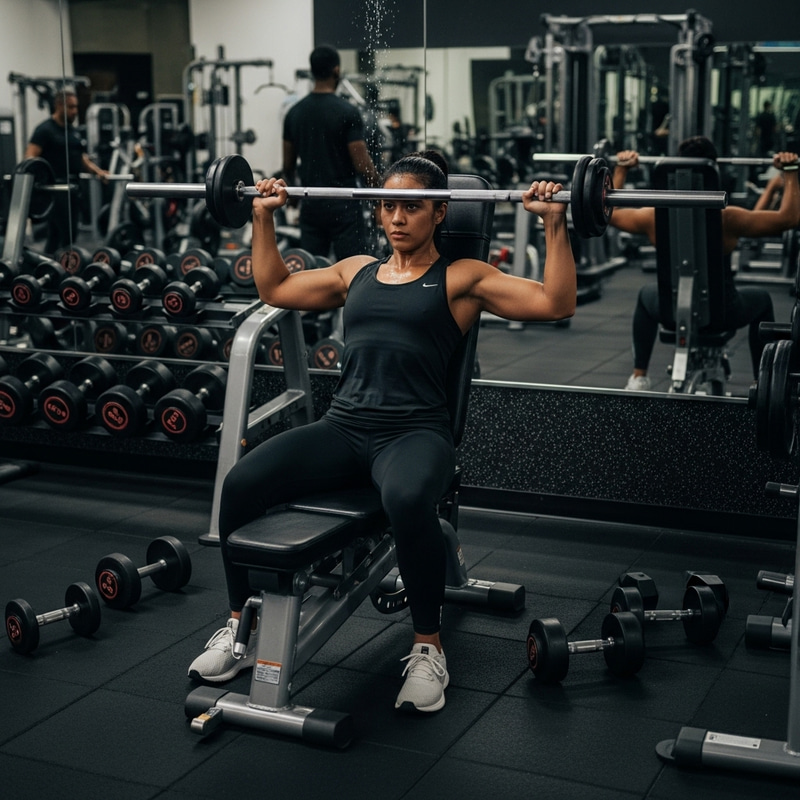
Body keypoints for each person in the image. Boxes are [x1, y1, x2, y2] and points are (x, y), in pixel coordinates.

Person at [187, 150, 576, 713]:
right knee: (242, 482)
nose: (396, 217)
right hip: (345, 427)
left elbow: (555, 301)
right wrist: (263, 215)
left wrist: (555, 222)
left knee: (408, 498)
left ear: (439, 213)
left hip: (415, 434)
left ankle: (427, 647)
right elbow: (274, 288)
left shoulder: (463, 278)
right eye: (388, 205)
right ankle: (237, 628)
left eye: (411, 207)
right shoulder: (356, 271)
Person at [609, 136, 799, 391]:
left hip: (671, 312)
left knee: (646, 295)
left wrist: (621, 169)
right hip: (723, 313)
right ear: (713, 172)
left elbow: (610, 212)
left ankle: (638, 377)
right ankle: (761, 383)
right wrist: (790, 172)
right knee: (762, 300)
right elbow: (789, 218)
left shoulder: (654, 217)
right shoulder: (729, 218)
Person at [282, 45, 382, 259]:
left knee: (311, 270)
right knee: (352, 271)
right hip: (343, 203)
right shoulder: (347, 111)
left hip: (311, 203)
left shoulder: (294, 113)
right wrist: (380, 197)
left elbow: (287, 166)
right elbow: (362, 164)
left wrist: (294, 200)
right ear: (336, 70)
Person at [24, 89, 109, 254]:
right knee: (67, 233)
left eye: (76, 107)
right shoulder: (44, 130)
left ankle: (49, 266)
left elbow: (81, 157)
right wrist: (37, 185)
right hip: (55, 189)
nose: (75, 111)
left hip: (73, 187)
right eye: (71, 107)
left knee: (58, 235)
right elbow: (30, 157)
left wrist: (98, 172)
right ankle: (65, 268)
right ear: (58, 106)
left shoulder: (72, 131)